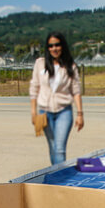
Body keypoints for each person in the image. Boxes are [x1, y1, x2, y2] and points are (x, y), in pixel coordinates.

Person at [29, 31, 84, 165]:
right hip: (45, 112)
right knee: (52, 147)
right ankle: (54, 177)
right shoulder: (40, 64)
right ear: (47, 48)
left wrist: (80, 114)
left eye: (57, 45)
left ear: (63, 46)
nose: (54, 48)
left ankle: (59, 179)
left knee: (59, 149)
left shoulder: (70, 66)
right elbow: (34, 87)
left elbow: (76, 90)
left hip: (64, 111)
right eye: (51, 46)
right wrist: (33, 112)